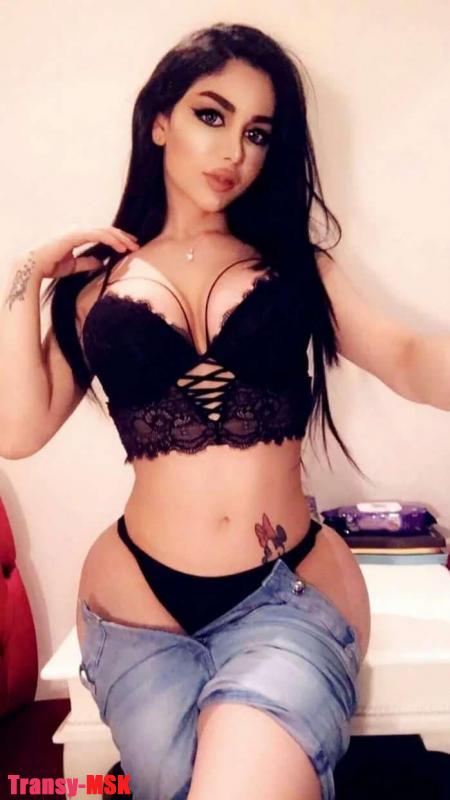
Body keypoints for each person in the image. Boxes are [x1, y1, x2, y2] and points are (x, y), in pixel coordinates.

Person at [2, 21, 447, 800]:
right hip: (134, 611)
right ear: (160, 121)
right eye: (212, 115)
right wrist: (29, 276)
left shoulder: (296, 270)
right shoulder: (91, 290)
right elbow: (18, 429)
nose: (234, 150)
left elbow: (407, 355)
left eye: (258, 132)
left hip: (284, 593)